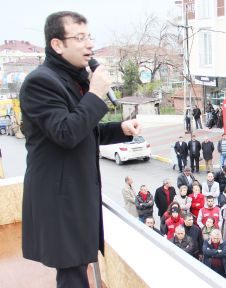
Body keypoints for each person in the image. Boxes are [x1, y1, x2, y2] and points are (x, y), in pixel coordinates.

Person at [19, 11, 142, 287]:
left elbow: (84, 129)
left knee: (78, 267)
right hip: (60, 198)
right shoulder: (40, 82)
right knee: (72, 275)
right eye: (79, 37)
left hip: (76, 196)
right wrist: (95, 94)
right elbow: (66, 133)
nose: (89, 45)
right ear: (57, 45)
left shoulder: (73, 78)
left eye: (90, 37)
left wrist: (120, 129)